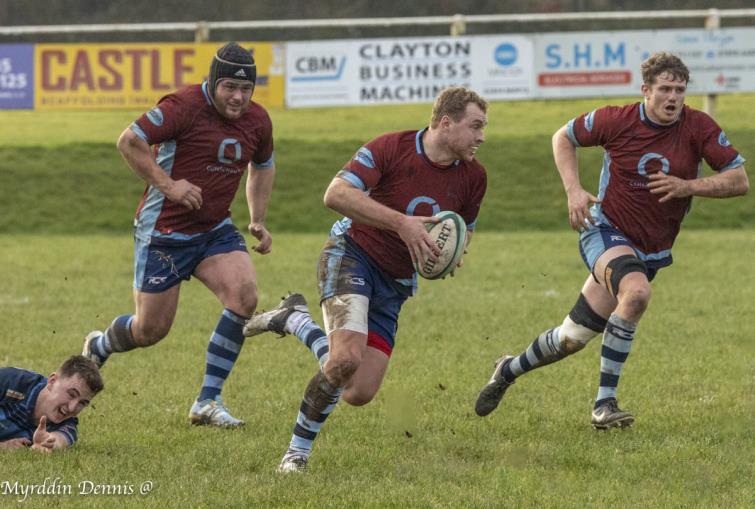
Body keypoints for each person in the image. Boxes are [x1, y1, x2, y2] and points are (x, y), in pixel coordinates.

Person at [475, 52, 748, 429]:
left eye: (680, 90)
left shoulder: (698, 127)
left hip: (651, 249)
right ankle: (604, 404)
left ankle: (508, 369)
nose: (673, 98)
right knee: (635, 294)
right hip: (604, 229)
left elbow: (739, 180)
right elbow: (563, 137)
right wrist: (573, 190)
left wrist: (688, 186)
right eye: (665, 89)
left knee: (573, 336)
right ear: (645, 90)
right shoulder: (616, 120)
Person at [244, 86, 489, 472]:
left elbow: (464, 229)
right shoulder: (391, 148)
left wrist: (449, 256)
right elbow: (335, 194)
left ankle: (293, 320)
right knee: (344, 358)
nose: (481, 137)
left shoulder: (475, 177)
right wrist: (401, 224)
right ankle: (296, 454)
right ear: (446, 123)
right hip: (351, 254)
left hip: (395, 282)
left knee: (357, 391)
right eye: (475, 126)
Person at [81, 42, 276, 428]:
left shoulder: (258, 120)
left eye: (245, 89)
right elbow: (129, 141)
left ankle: (208, 400)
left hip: (214, 229)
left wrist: (257, 217)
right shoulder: (182, 106)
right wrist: (169, 186)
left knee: (244, 295)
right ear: (213, 81)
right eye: (229, 88)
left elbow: (263, 164)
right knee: (150, 329)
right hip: (165, 231)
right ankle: (99, 345)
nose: (237, 98)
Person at [0, 355, 103, 453]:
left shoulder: (68, 426)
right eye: (71, 394)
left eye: (82, 403)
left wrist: (46, 444)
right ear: (52, 381)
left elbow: (59, 440)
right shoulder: (11, 382)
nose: (72, 408)